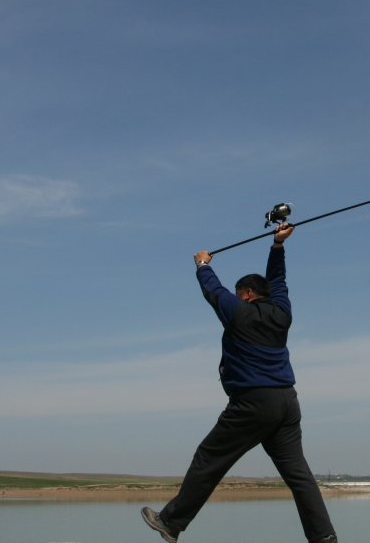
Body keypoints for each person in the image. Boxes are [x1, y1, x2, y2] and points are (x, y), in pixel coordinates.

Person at [141, 222, 337, 543]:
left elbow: (214, 292)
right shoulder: (282, 312)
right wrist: (277, 246)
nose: (235, 298)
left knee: (209, 458)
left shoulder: (239, 313)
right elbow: (278, 281)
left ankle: (171, 522)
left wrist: (203, 264)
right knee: (299, 475)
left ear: (246, 294)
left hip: (253, 403)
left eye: (238, 294)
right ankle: (324, 538)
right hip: (287, 403)